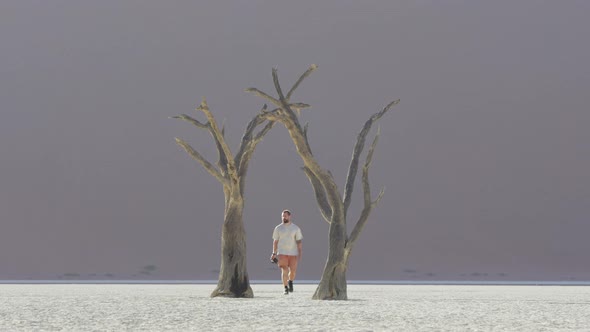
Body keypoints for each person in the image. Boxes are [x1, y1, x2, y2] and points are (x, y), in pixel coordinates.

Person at [270, 209, 303, 295]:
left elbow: (299, 241)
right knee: (284, 270)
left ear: (289, 216)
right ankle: (285, 288)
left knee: (292, 271)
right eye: (282, 216)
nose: (283, 217)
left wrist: (300, 253)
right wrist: (274, 253)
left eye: (285, 216)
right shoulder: (278, 228)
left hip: (293, 253)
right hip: (282, 253)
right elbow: (275, 241)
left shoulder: (295, 228)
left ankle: (290, 281)